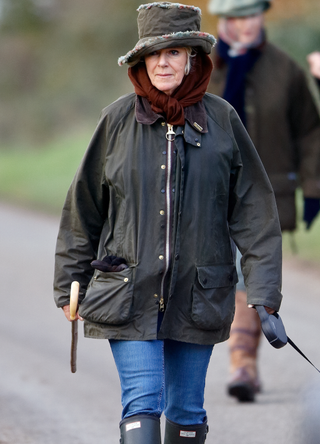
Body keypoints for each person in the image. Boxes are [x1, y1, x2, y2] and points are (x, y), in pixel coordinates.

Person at [53, 3, 283, 443]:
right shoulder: (116, 121)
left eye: (175, 52)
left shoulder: (222, 120)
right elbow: (83, 208)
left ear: (191, 58)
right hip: (127, 292)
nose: (163, 62)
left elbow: (255, 211)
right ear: (141, 60)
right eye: (155, 53)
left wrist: (264, 292)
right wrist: (69, 284)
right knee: (142, 404)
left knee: (186, 413)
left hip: (201, 293)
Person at [207, 0, 320, 403]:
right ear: (222, 20)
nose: (246, 24)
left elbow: (309, 132)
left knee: (247, 273)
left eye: (252, 15)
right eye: (236, 17)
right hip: (208, 193)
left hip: (265, 194)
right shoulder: (197, 65)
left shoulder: (284, 69)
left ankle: (242, 363)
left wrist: (313, 187)